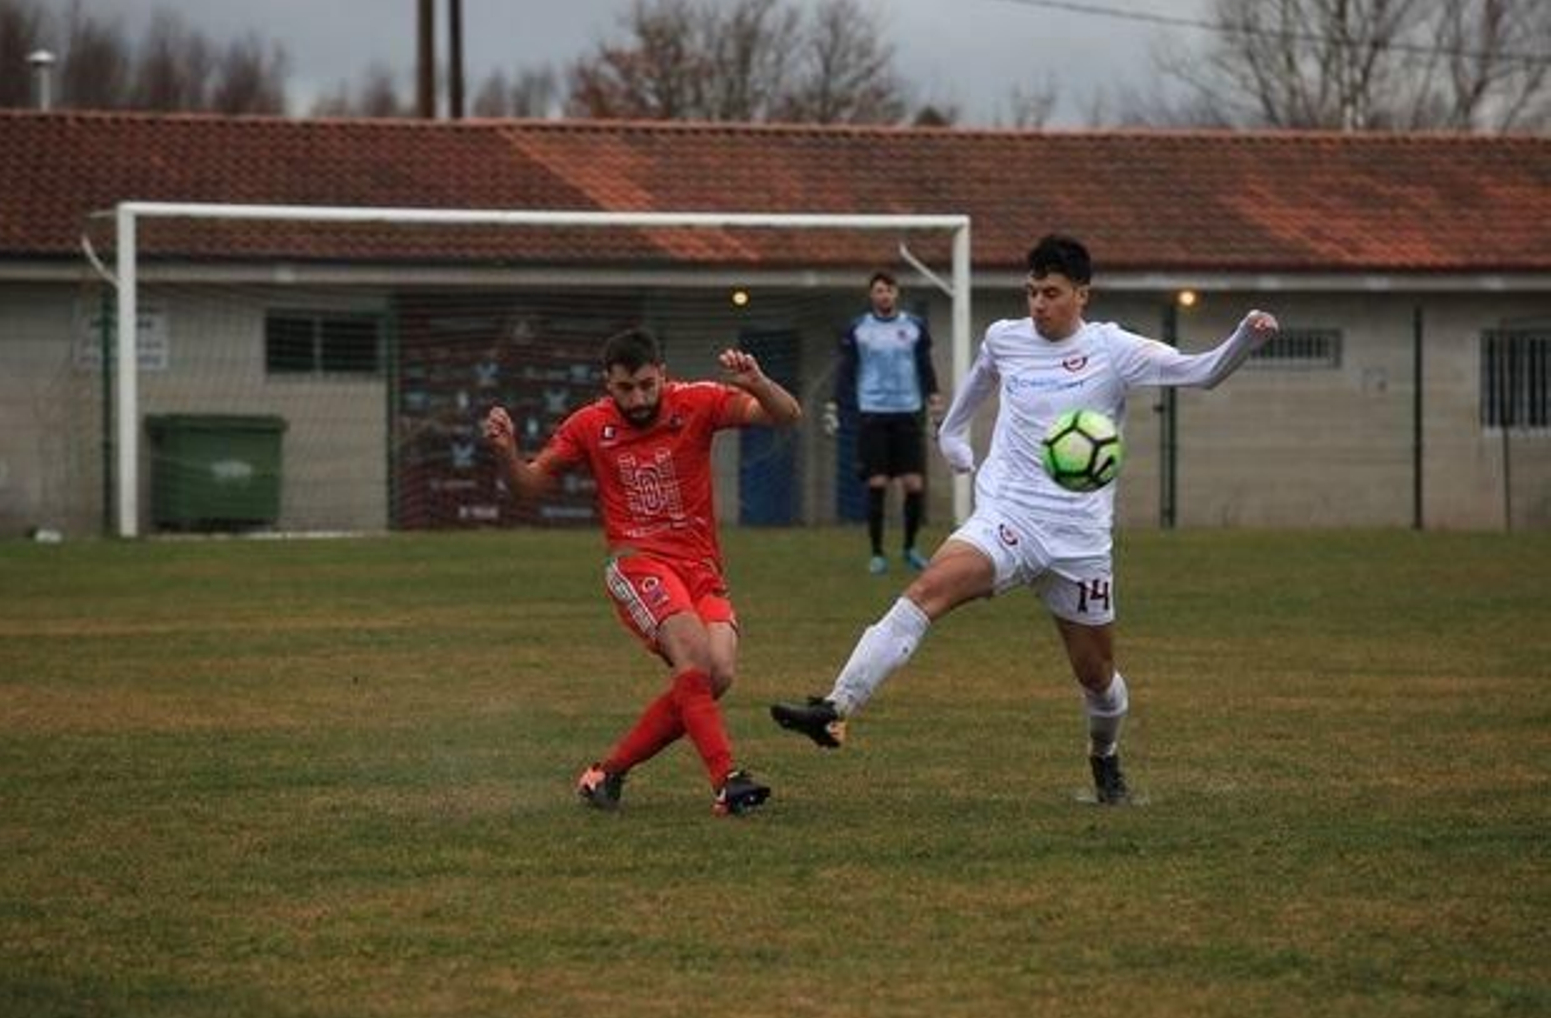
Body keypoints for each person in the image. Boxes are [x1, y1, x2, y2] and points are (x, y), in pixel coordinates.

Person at [774, 235, 1279, 804]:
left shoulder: (1114, 350)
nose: (1038, 304)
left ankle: (1105, 759)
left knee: (1097, 678)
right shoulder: (1005, 339)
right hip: (1008, 519)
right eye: (1032, 292)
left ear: (1081, 295)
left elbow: (1202, 372)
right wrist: (952, 435)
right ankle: (836, 707)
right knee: (926, 591)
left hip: (1079, 542)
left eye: (1052, 293)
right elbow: (976, 386)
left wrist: (1244, 339)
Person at [485, 327, 802, 817]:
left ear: (663, 376)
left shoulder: (698, 401)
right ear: (606, 385)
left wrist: (758, 382)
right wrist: (506, 454)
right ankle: (727, 781)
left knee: (716, 674)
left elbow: (787, 415)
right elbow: (529, 486)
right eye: (625, 388)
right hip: (637, 561)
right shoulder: (590, 425)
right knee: (693, 657)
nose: (637, 398)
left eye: (647, 385)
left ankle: (606, 774)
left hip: (700, 567)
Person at [827, 271, 945, 575]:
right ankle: (877, 553)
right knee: (877, 482)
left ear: (897, 294)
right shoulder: (859, 329)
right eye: (879, 291)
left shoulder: (914, 327)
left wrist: (934, 398)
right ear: (872, 295)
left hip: (907, 412)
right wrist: (834, 404)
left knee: (913, 484)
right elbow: (846, 371)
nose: (884, 295)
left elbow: (924, 365)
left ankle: (909, 548)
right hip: (873, 413)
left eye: (889, 290)